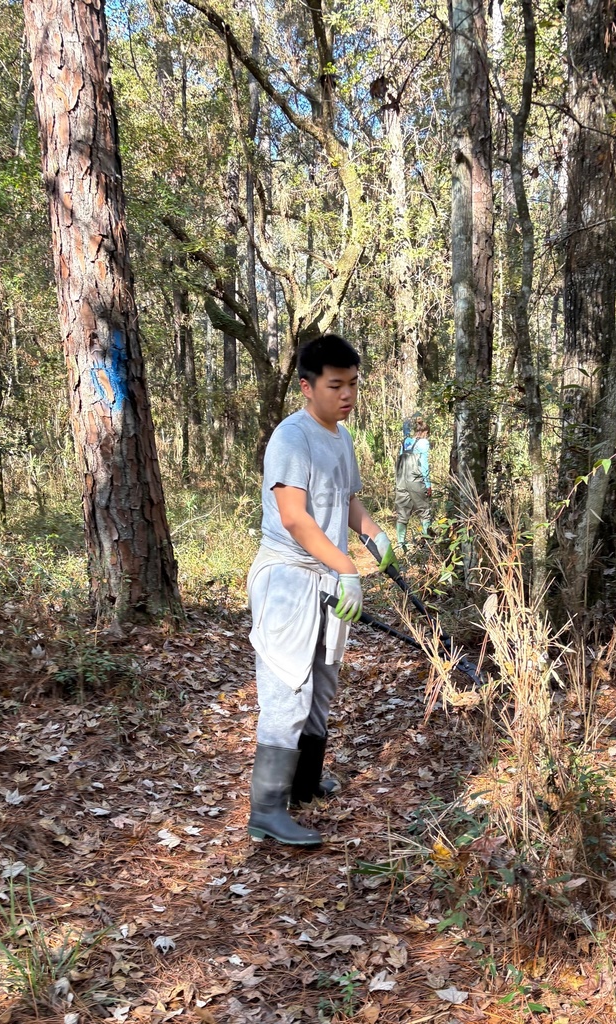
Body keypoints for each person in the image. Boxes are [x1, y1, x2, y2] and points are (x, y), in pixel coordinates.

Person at [246, 334, 397, 846]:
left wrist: (373, 533)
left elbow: (348, 502)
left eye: (353, 384)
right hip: (289, 580)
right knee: (289, 688)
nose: (348, 394)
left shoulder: (340, 436)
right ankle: (267, 809)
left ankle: (304, 783)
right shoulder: (292, 438)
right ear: (308, 387)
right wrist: (348, 568)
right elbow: (294, 518)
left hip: (327, 577)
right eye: (336, 385)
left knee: (322, 684)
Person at [394, 415, 432, 552]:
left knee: (402, 513)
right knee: (424, 511)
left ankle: (400, 544)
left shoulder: (406, 442)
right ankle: (427, 544)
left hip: (401, 480)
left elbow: (399, 460)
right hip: (415, 479)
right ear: (425, 432)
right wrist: (427, 484)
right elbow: (424, 465)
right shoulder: (423, 443)